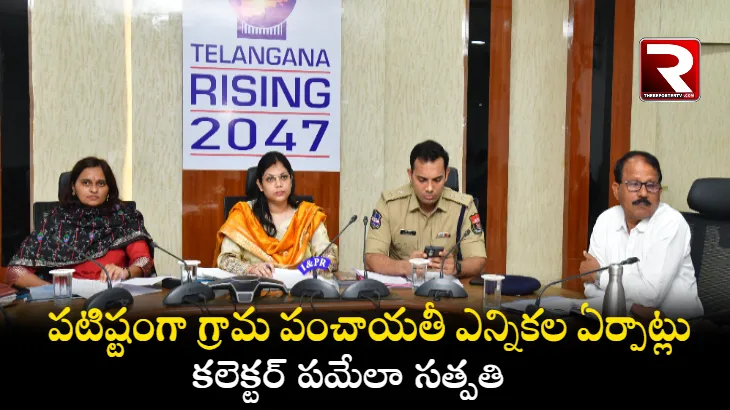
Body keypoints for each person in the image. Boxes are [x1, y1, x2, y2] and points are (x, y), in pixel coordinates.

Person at [580, 151, 703, 319]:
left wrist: (598, 276)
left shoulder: (671, 222)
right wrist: (632, 307)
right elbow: (590, 288)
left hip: (676, 326)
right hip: (622, 319)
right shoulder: (606, 220)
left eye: (651, 185)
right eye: (634, 184)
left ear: (659, 191)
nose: (644, 193)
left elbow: (650, 295)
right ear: (616, 190)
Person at [5, 157, 155, 288]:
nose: (94, 189)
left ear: (109, 189)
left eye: (101, 183)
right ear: (73, 187)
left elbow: (144, 261)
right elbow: (15, 271)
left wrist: (125, 272)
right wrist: (53, 289)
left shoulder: (125, 217)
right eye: (86, 183)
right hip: (66, 302)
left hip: (113, 297)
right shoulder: (57, 221)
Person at [365, 140, 486, 277]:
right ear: (410, 175)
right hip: (402, 287)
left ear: (446, 174)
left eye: (437, 180)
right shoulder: (389, 204)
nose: (429, 188)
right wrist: (404, 267)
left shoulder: (463, 207)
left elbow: (479, 261)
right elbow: (371, 258)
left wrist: (457, 267)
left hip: (445, 287)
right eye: (422, 180)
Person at [213, 151, 338, 278]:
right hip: (256, 287)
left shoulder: (307, 215)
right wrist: (250, 269)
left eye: (283, 177)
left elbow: (329, 256)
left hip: (303, 287)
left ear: (291, 180)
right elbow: (226, 260)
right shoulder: (243, 215)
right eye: (270, 179)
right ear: (260, 185)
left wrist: (321, 265)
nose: (278, 184)